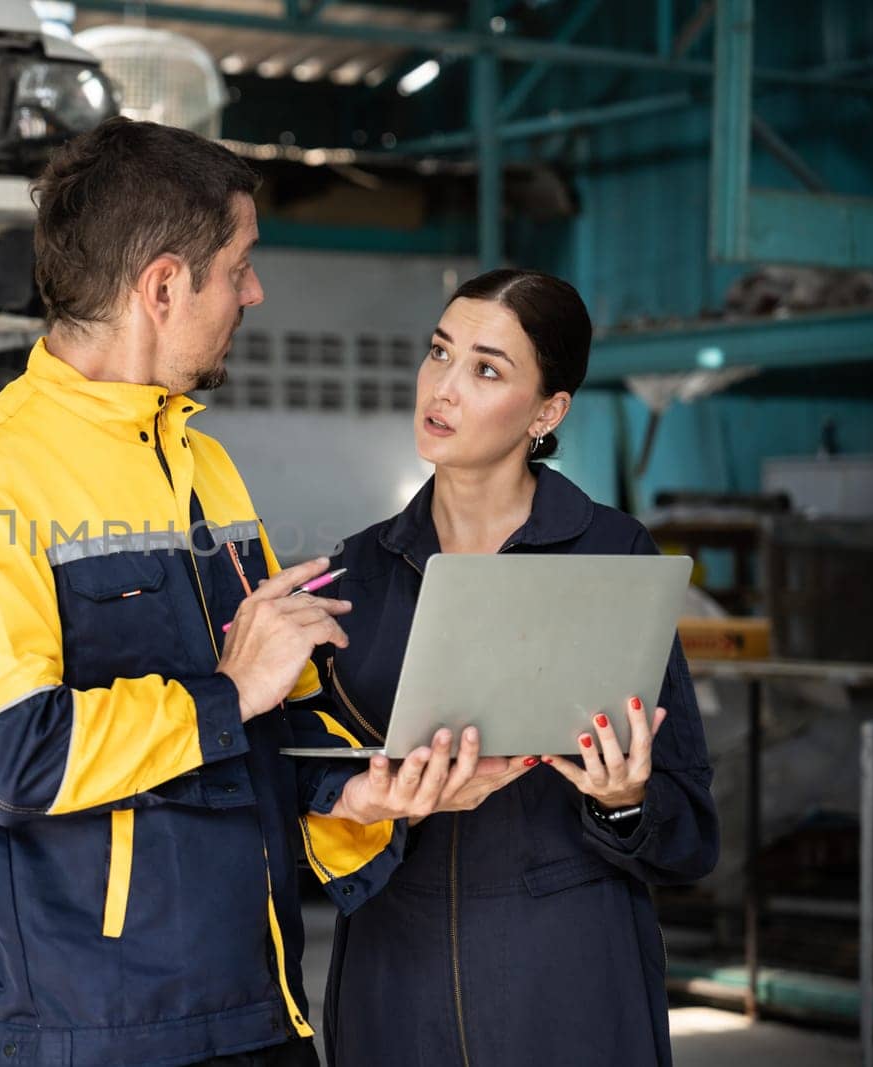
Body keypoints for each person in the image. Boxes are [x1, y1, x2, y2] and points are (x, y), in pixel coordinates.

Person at [0, 118, 504, 1067]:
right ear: (165, 286)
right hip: (93, 1034)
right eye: (240, 265)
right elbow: (7, 760)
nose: (254, 292)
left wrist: (364, 791)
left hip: (260, 1008)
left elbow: (266, 732)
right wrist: (225, 692)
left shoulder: (206, 466)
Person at [316, 268, 720, 1067]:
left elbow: (690, 832)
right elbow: (298, 796)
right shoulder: (356, 573)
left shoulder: (612, 558)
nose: (444, 386)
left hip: (567, 980)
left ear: (547, 411)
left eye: (486, 368)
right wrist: (359, 793)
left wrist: (624, 802)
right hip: (396, 980)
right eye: (439, 352)